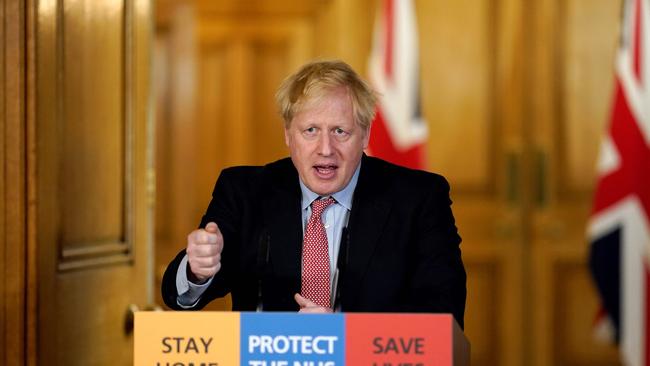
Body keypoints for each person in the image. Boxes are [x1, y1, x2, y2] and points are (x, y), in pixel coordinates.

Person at [161, 60, 466, 328]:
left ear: (365, 135)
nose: (325, 149)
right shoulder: (244, 192)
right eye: (310, 131)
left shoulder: (420, 199)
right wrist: (197, 269)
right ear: (287, 135)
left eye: (340, 131)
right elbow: (178, 297)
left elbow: (444, 315)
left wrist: (344, 333)